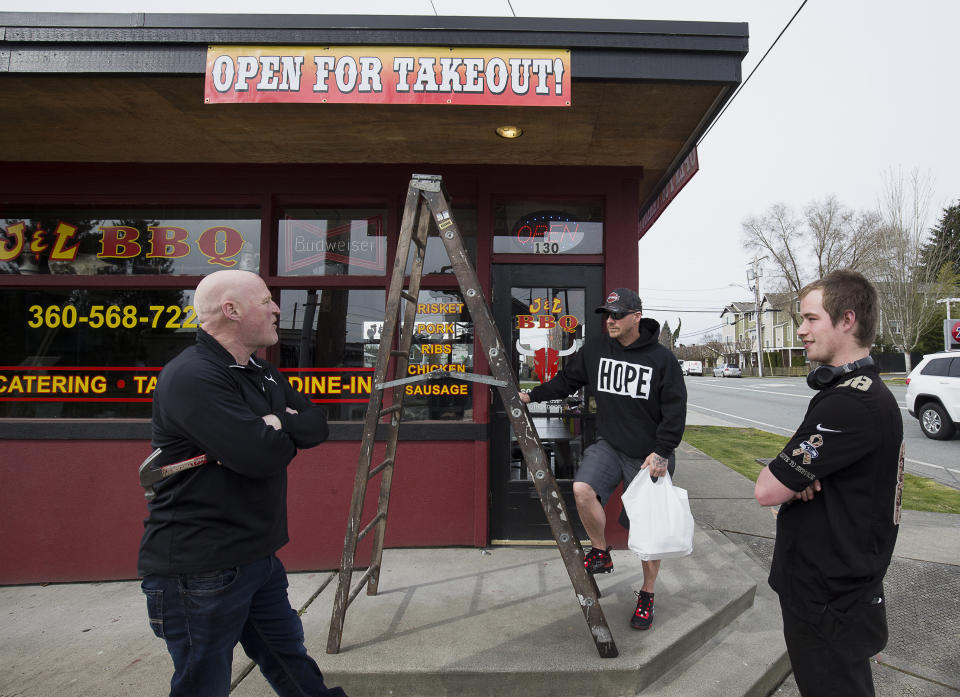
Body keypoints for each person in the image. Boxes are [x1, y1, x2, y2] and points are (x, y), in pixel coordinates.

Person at [138, 269, 348, 697]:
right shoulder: (193, 376)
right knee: (204, 684)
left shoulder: (261, 372)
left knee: (291, 662)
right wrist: (274, 429)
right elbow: (260, 456)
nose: (275, 309)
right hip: (200, 569)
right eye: (267, 300)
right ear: (231, 311)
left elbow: (316, 424)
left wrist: (274, 426)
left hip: (257, 557)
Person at [754, 270, 904, 697]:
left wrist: (792, 477)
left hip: (829, 597)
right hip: (831, 589)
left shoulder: (852, 404)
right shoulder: (853, 395)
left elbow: (767, 488)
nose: (801, 330)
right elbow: (788, 477)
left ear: (846, 320)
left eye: (810, 318)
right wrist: (797, 476)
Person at [519, 288, 687, 630]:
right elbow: (567, 381)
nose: (609, 320)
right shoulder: (595, 349)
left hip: (649, 455)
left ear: (636, 317)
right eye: (607, 315)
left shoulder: (661, 359)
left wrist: (662, 452)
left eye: (617, 315)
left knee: (646, 533)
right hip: (610, 444)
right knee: (582, 489)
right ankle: (601, 550)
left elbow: (675, 411)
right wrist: (531, 395)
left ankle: (647, 593)